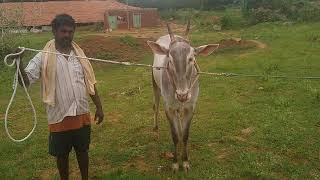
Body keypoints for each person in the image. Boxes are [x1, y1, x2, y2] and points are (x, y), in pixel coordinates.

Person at [12, 14, 104, 180]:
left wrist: (99, 107)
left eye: (70, 31)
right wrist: (19, 64)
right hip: (59, 117)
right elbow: (25, 82)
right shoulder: (42, 56)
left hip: (82, 114)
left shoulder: (79, 55)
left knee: (83, 151)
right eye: (63, 31)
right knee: (62, 156)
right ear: (54, 31)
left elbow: (90, 82)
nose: (67, 35)